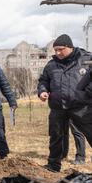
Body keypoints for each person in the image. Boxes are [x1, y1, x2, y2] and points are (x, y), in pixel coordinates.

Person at [38, 34, 92, 172]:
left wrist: (86, 93)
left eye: (60, 49)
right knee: (56, 136)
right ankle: (53, 165)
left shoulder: (87, 60)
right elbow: (44, 81)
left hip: (81, 107)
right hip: (58, 108)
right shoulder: (51, 65)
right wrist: (42, 91)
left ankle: (81, 156)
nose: (57, 53)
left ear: (70, 47)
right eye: (55, 50)